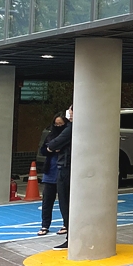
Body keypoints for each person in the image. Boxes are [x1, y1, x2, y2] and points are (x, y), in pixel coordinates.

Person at [44, 104, 73, 249]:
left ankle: (70, 236)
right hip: (69, 167)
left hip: (65, 167)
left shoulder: (71, 128)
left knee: (65, 202)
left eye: (71, 111)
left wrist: (52, 147)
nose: (69, 113)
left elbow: (53, 144)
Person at [37, 112, 67, 236]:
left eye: (61, 124)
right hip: (50, 171)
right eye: (56, 124)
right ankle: (45, 225)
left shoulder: (68, 136)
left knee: (64, 201)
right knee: (47, 201)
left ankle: (66, 224)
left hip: (63, 172)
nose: (58, 126)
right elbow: (43, 150)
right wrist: (51, 149)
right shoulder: (50, 136)